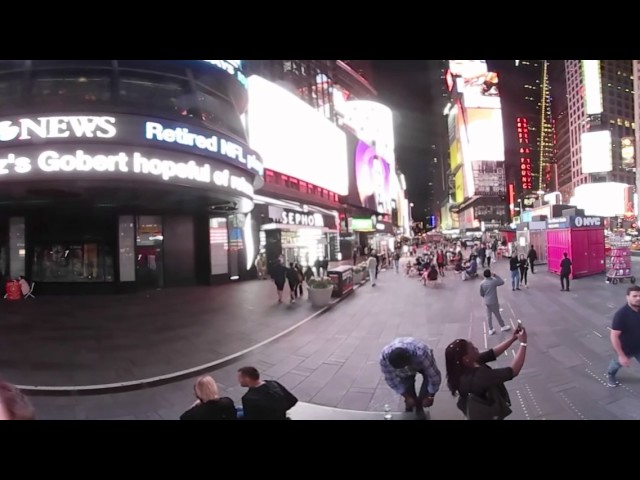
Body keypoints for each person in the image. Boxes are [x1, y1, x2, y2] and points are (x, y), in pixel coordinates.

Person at [444, 326, 528, 420]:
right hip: (488, 412)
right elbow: (513, 371)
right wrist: (523, 343)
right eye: (472, 349)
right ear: (466, 358)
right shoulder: (479, 376)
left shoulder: (463, 367)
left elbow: (492, 353)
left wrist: (512, 339)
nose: (476, 349)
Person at [379, 337, 442, 416]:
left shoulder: (421, 353)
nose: (407, 369)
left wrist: (430, 397)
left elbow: (434, 377)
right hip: (403, 371)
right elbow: (392, 380)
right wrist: (407, 397)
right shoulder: (384, 359)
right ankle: (411, 409)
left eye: (405, 366)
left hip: (421, 363)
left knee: (424, 396)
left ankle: (420, 405)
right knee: (408, 389)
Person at [607, 285, 640, 387]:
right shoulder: (621, 315)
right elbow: (614, 336)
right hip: (625, 349)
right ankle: (610, 375)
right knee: (616, 364)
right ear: (627, 297)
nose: (638, 298)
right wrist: (621, 355)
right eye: (634, 296)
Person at [479, 269, 510, 335]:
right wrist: (496, 275)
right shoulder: (493, 282)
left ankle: (490, 329)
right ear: (490, 274)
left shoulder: (482, 283)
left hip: (486, 301)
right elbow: (502, 282)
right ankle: (502, 326)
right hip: (493, 301)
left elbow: (481, 294)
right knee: (497, 314)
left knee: (488, 315)